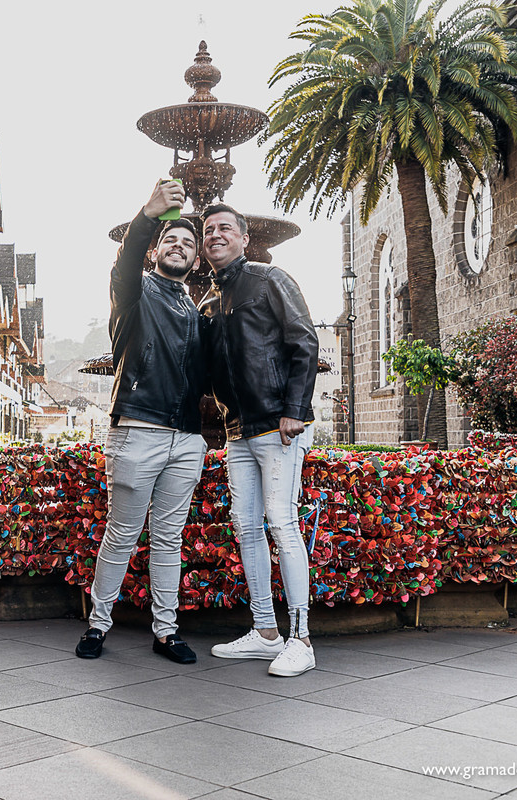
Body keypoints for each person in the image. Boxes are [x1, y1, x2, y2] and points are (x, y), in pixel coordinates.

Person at [75, 180, 207, 664]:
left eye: (188, 244)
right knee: (122, 535)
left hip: (186, 440)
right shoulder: (135, 294)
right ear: (156, 250)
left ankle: (167, 632)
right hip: (136, 430)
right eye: (171, 240)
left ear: (196, 261)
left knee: (170, 541)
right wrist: (147, 214)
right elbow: (123, 263)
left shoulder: (196, 309)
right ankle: (97, 625)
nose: (180, 246)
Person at [197, 202, 320, 677]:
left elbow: (303, 341)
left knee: (281, 523)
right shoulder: (208, 302)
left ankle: (301, 639)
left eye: (225, 228)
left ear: (245, 239)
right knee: (245, 526)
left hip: (278, 425)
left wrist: (295, 409)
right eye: (209, 230)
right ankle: (266, 632)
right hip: (237, 432)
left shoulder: (270, 279)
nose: (215, 235)